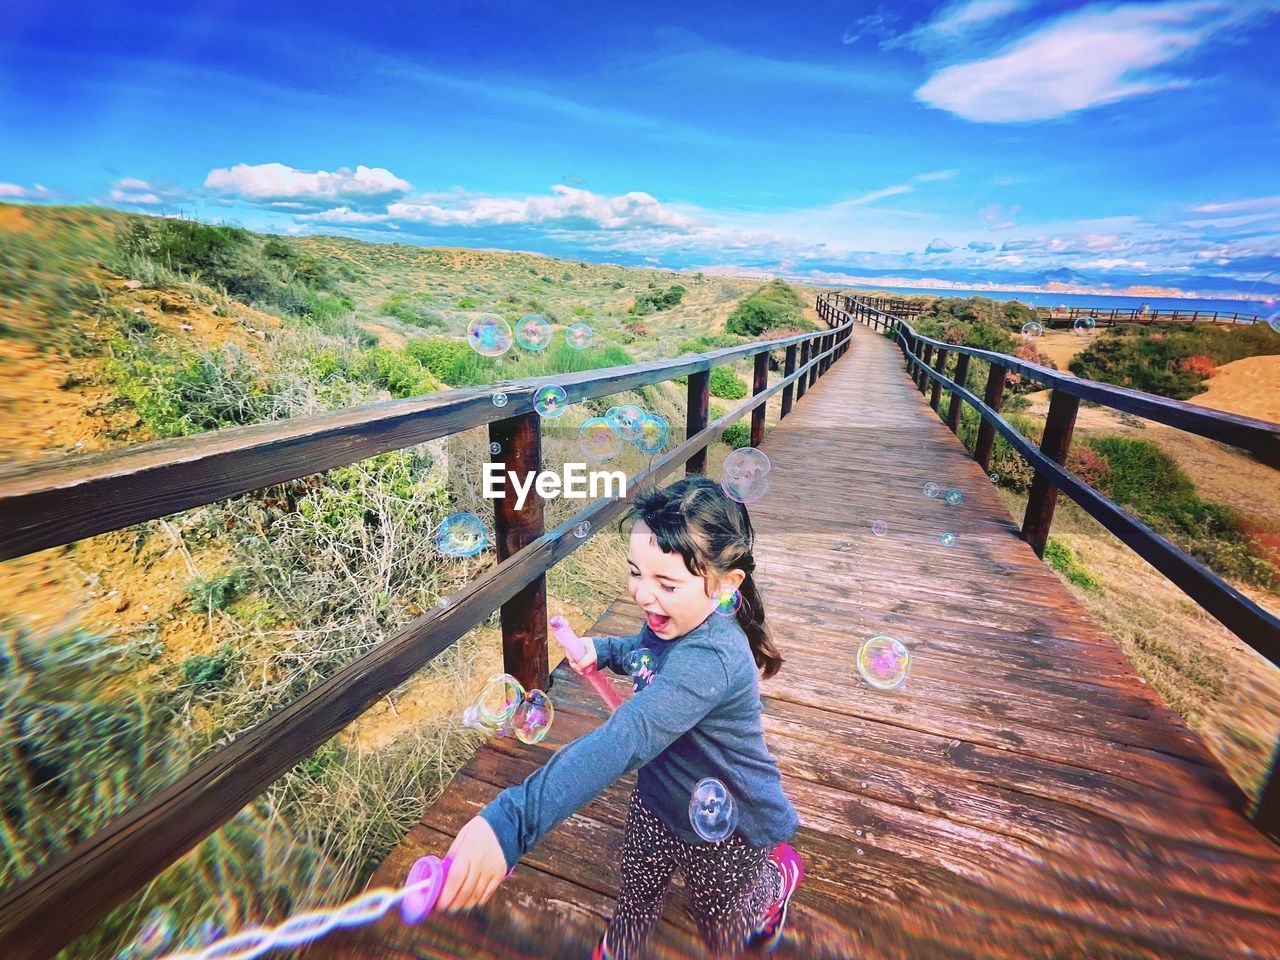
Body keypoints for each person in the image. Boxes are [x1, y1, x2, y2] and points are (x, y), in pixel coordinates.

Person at [437, 475, 804, 958]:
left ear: (723, 587)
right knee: (636, 891)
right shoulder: (672, 617)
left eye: (666, 583)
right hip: (658, 797)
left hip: (729, 822)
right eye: (636, 572)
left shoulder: (713, 656)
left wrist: (513, 820)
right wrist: (604, 649)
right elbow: (645, 654)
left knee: (723, 924)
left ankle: (772, 884)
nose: (642, 594)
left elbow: (627, 736)